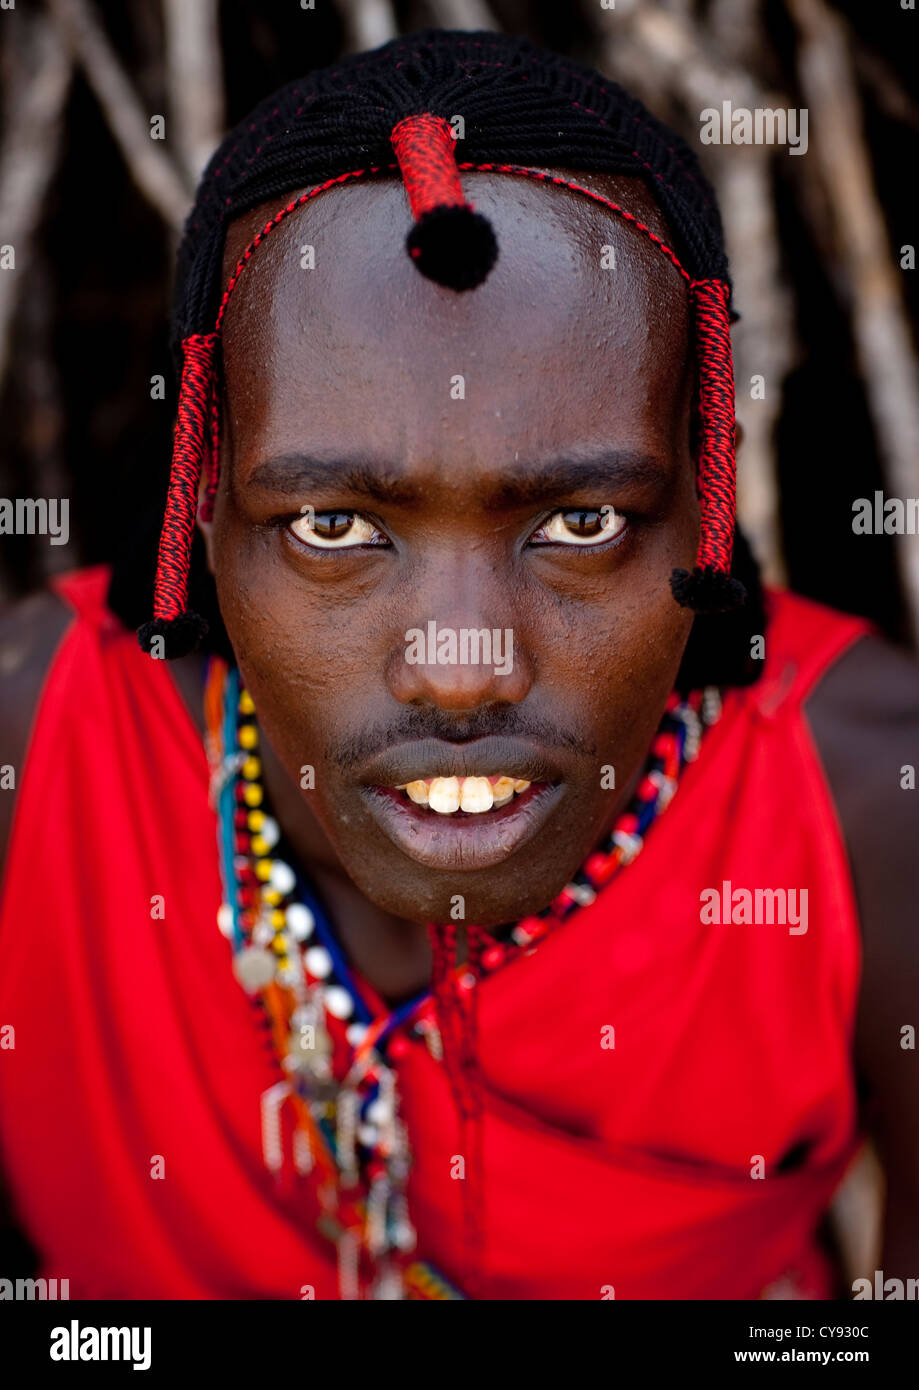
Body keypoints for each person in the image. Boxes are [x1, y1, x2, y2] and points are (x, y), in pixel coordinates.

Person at [0, 29, 916, 1302]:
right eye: (334, 527)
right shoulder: (39, 746)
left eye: (579, 524)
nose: (459, 671)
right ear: (198, 514)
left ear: (706, 504)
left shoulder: (867, 804)